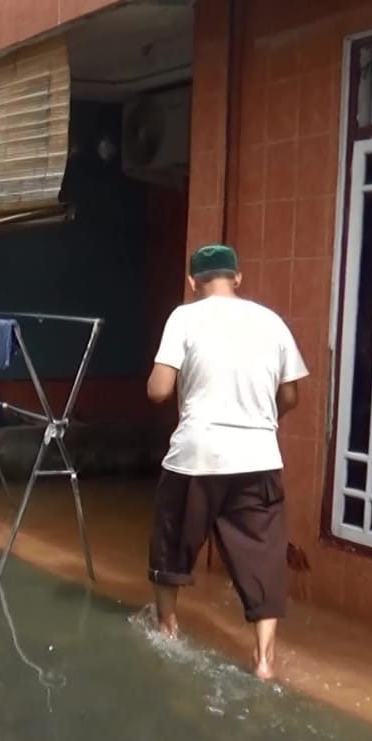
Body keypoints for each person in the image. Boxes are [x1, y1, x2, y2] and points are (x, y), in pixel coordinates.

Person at [145, 245, 309, 680]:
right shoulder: (271, 321)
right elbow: (291, 395)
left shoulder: (184, 317)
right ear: (237, 278)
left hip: (195, 456)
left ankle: (167, 630)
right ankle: (264, 661)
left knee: (172, 546)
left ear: (192, 282)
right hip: (258, 458)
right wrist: (261, 421)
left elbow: (160, 390)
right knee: (263, 558)